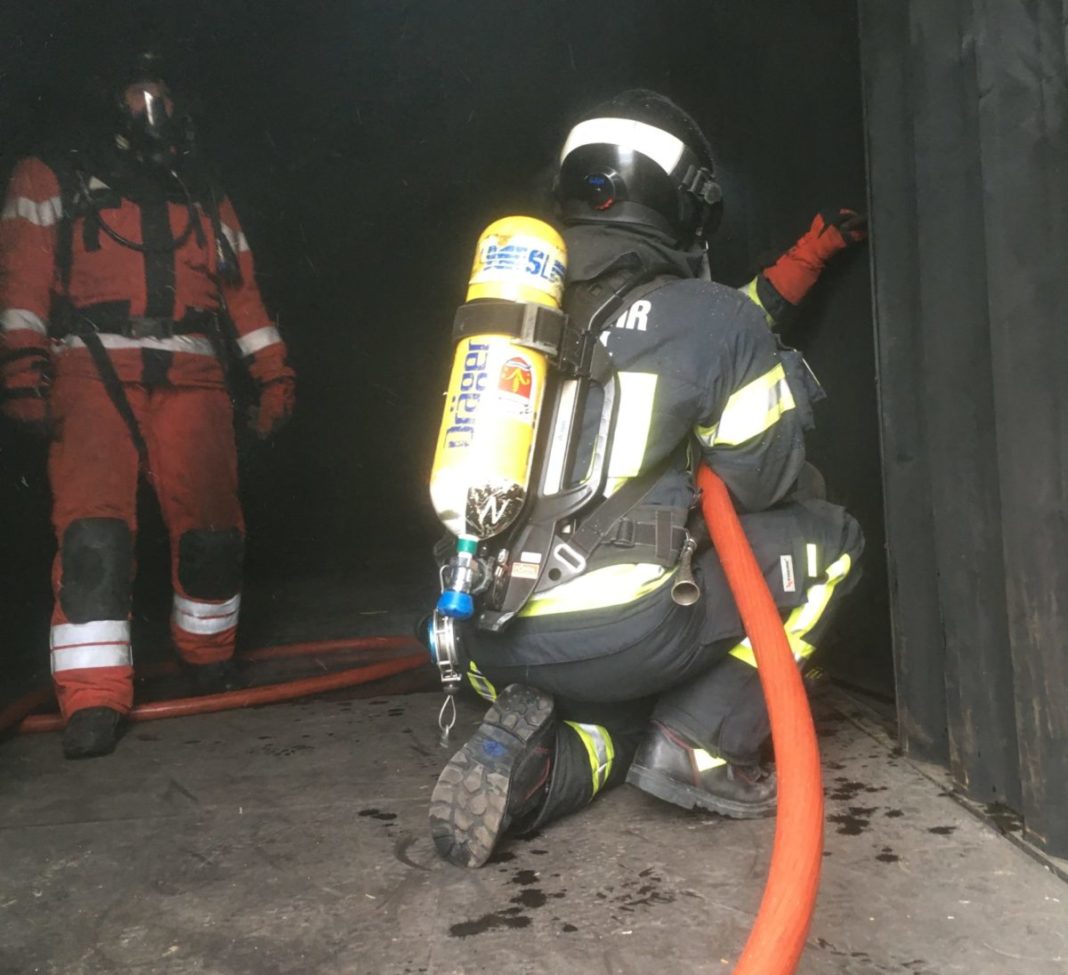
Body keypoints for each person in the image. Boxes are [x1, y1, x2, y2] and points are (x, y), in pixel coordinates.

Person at [428, 90, 865, 868]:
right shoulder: (711, 316)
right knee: (834, 540)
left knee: (614, 725)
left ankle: (541, 765)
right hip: (624, 634)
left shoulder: (511, 310)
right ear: (684, 204)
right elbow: (762, 482)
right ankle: (700, 743)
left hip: (479, 639)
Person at [0, 52, 296, 758]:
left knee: (214, 529)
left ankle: (208, 660)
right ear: (111, 97)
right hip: (90, 369)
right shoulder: (52, 175)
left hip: (194, 372)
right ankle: (93, 700)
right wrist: (21, 371)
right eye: (139, 91)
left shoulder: (200, 187)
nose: (152, 106)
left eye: (161, 91)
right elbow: (22, 282)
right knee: (94, 535)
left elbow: (242, 294)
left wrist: (274, 374)